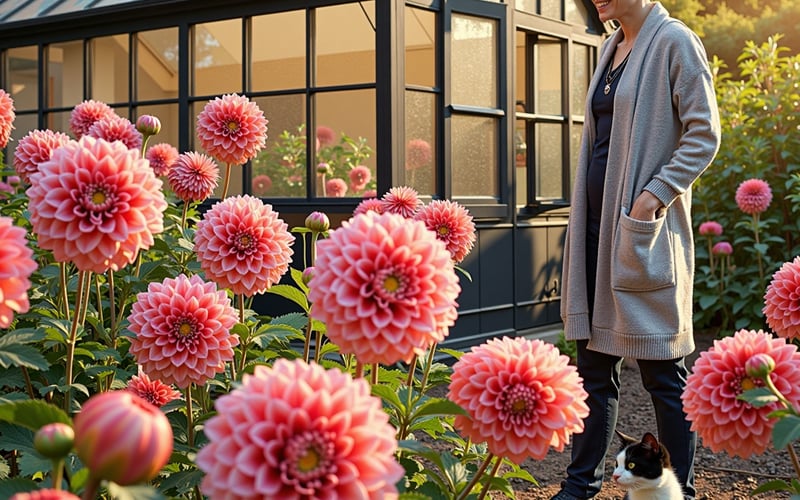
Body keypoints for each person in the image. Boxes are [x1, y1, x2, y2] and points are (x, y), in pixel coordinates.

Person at [552, 1, 721, 499]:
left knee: (663, 373)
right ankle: (579, 485)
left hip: (639, 234)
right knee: (593, 368)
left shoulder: (675, 41)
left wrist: (652, 198)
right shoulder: (610, 47)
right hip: (595, 234)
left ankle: (678, 491)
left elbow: (704, 133)